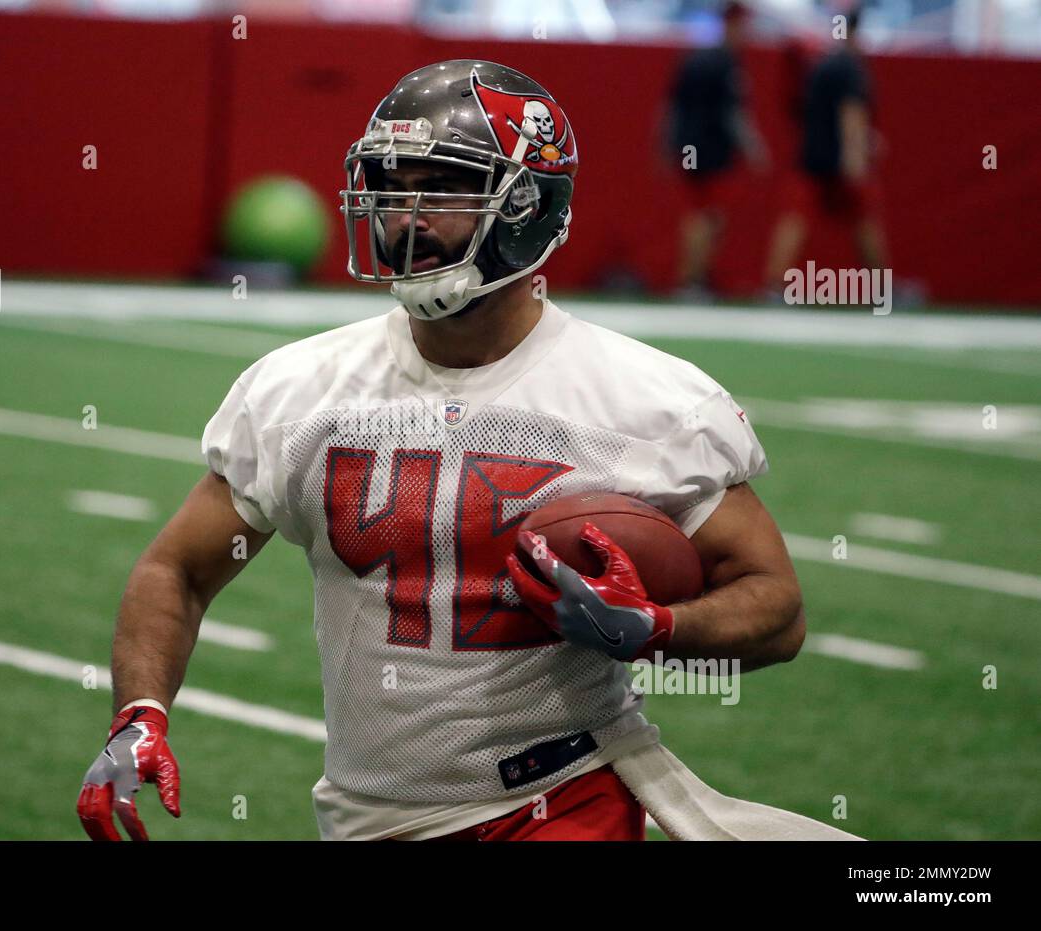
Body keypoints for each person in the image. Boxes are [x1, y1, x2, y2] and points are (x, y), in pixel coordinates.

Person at [77, 60, 852, 842]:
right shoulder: (300, 390)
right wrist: (137, 716)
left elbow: (776, 611)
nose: (402, 215)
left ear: (525, 203)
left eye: (439, 187)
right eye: (389, 186)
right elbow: (176, 569)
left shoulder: (646, 401)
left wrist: (656, 628)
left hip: (564, 791)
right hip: (369, 814)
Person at [764, 5, 888, 294]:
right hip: (838, 157)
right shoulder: (849, 67)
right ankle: (881, 287)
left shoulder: (823, 64)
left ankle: (773, 284)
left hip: (812, 152)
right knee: (864, 220)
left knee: (797, 218)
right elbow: (850, 112)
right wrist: (855, 154)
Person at [664, 1, 768, 299]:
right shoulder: (726, 63)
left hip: (688, 145)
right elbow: (732, 113)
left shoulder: (694, 59)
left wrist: (667, 145)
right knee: (708, 216)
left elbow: (671, 106)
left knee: (698, 215)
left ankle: (691, 279)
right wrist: (753, 147)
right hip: (711, 148)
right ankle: (691, 280)